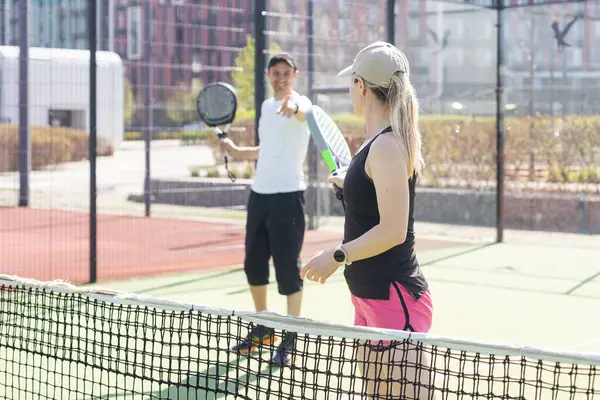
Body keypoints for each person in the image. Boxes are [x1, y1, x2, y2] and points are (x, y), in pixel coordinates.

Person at [300, 42, 435, 399]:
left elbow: (392, 230)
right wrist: (352, 186)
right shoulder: (374, 145)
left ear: (361, 86)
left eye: (352, 83)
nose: (350, 91)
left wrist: (336, 255)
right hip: (368, 298)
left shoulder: (387, 147)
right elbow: (375, 203)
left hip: (394, 299)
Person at [218, 53, 312, 365]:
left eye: (287, 73)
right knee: (253, 266)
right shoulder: (265, 108)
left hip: (289, 196)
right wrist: (237, 151)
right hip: (259, 196)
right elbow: (268, 149)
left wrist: (294, 107)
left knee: (287, 268)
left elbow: (300, 113)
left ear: (295, 75)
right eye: (276, 73)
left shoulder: (303, 105)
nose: (281, 78)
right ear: (268, 75)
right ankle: (263, 328)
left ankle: (291, 334)